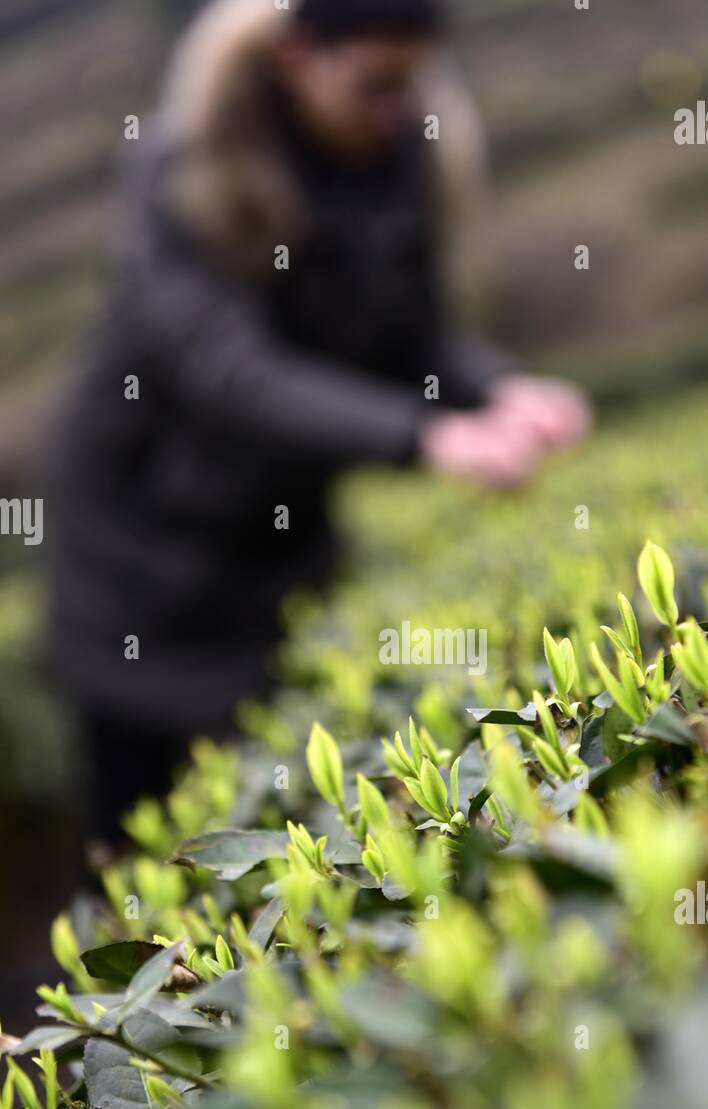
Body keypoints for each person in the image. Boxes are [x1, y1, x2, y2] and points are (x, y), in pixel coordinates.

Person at [47, 0, 592, 848]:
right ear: (298, 55)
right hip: (145, 548)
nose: (400, 108)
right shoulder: (184, 170)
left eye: (414, 82)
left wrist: (499, 388)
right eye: (375, 84)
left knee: (284, 784)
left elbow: (411, 336)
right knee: (144, 827)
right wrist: (421, 437)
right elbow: (226, 370)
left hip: (281, 534)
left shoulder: (397, 153)